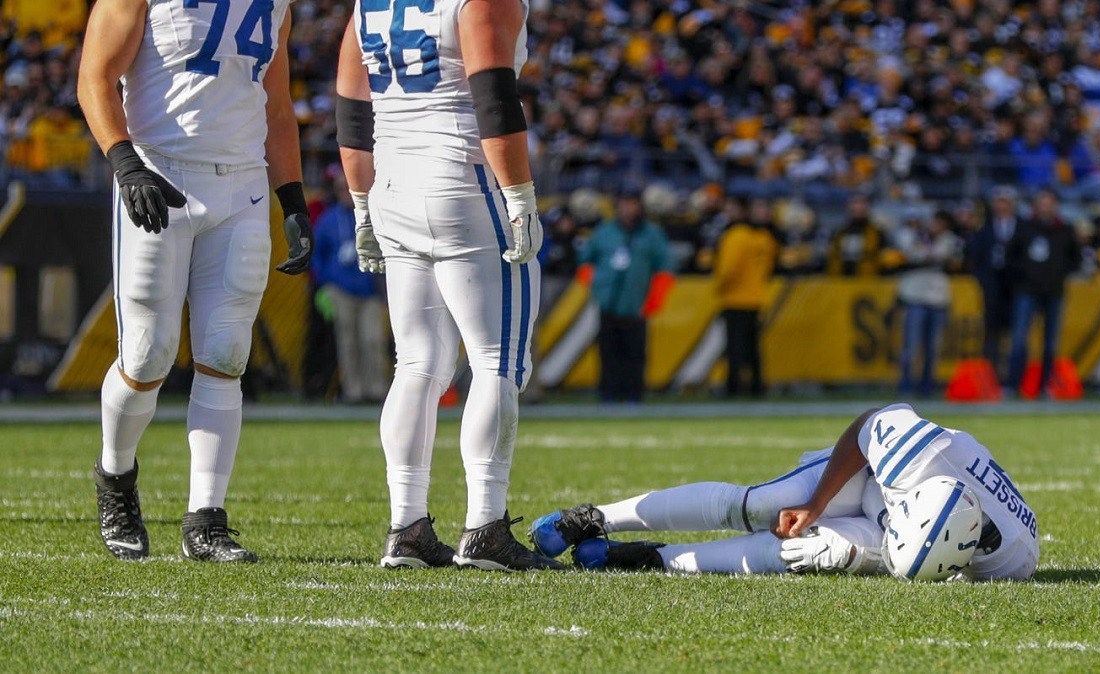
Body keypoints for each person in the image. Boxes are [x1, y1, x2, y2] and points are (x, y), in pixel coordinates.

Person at [79, 0, 313, 562]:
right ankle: (115, 476)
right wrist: (125, 163)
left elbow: (275, 106)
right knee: (146, 354)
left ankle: (206, 519)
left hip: (243, 185)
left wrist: (293, 201)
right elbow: (95, 77)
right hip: (160, 173)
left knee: (226, 352)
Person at [336, 0, 560, 571]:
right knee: (497, 361)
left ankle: (406, 529)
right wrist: (521, 200)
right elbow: (492, 96)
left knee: (416, 365)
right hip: (465, 180)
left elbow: (352, 109)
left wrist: (362, 203)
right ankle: (486, 527)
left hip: (392, 184)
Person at [530, 403, 1039, 582]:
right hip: (872, 479)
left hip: (903, 529)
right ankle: (597, 517)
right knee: (761, 507)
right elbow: (868, 423)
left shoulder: (1011, 558)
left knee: (806, 552)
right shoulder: (922, 456)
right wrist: (817, 504)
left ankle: (655, 558)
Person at [576, 188, 675, 403]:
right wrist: (597, 289)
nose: (628, 209)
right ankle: (608, 395)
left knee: (635, 353)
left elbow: (666, 268)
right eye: (624, 203)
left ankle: (634, 396)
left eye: (632, 204)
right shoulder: (604, 232)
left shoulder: (652, 234)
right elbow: (585, 262)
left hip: (636, 304)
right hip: (608, 303)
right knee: (608, 352)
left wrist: (654, 300)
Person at [310, 167, 387, 403]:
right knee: (348, 342)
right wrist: (326, 282)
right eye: (341, 188)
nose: (345, 192)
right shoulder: (329, 218)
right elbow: (316, 254)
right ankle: (354, 391)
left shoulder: (373, 216)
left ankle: (376, 389)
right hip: (341, 290)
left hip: (369, 289)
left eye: (349, 188)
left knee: (372, 340)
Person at [1006, 189, 1081, 397]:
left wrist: (1058, 274)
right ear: (1036, 205)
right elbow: (1011, 256)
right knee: (1020, 340)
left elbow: (1075, 258)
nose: (1046, 206)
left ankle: (1044, 387)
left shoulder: (1065, 229)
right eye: (1042, 202)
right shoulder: (1024, 227)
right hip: (1028, 290)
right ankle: (1013, 385)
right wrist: (1025, 275)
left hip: (1054, 292)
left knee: (1049, 344)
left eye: (1050, 202)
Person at [713, 197, 778, 397]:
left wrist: (719, 288)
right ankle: (757, 387)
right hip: (756, 298)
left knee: (735, 348)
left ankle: (733, 387)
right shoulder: (763, 238)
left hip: (735, 298)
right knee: (753, 349)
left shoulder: (735, 236)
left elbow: (727, 269)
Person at [893, 211, 960, 397]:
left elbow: (950, 258)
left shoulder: (948, 239)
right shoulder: (909, 235)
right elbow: (912, 254)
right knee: (910, 347)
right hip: (914, 297)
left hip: (938, 298)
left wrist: (928, 255)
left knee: (932, 348)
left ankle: (926, 387)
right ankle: (906, 387)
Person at [967, 186, 1021, 374]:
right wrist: (984, 280)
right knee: (991, 332)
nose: (1003, 206)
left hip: (1016, 287)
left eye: (1006, 202)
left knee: (1018, 333)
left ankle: (1014, 377)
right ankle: (990, 375)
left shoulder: (1022, 226)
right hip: (992, 287)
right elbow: (976, 257)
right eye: (999, 202)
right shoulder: (985, 229)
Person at [826, 194, 884, 277]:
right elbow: (833, 253)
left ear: (867, 208)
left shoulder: (877, 232)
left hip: (867, 278)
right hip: (840, 278)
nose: (858, 207)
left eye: (862, 204)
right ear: (849, 208)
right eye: (855, 204)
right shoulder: (840, 232)